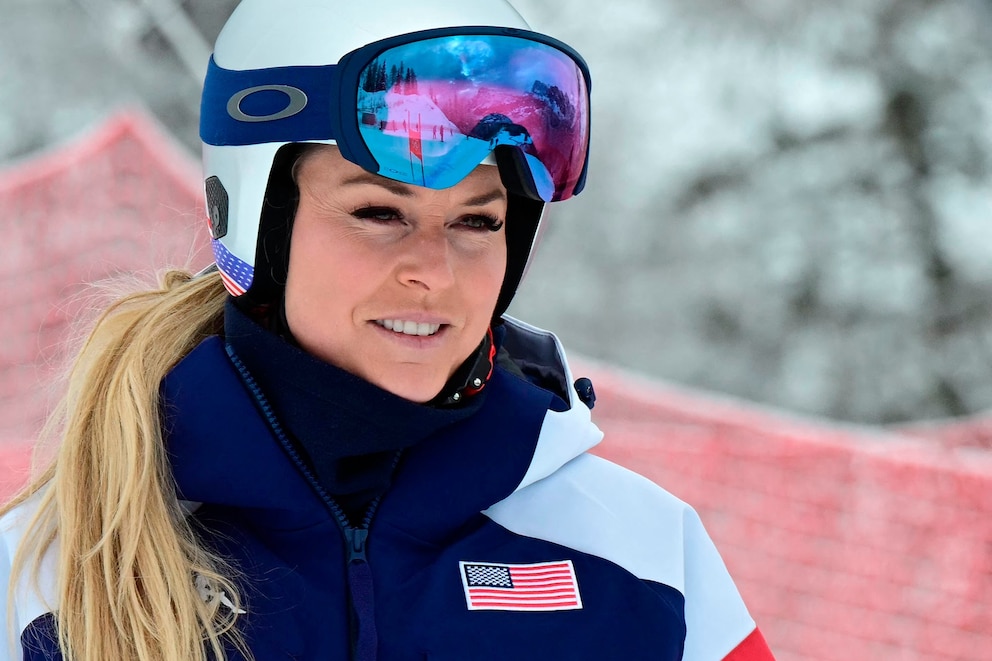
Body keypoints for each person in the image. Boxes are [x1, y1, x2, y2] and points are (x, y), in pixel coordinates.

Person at [0, 1, 777, 660]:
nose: (434, 272)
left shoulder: (643, 559)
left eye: (478, 221)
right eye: (379, 212)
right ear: (257, 219)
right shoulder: (45, 578)